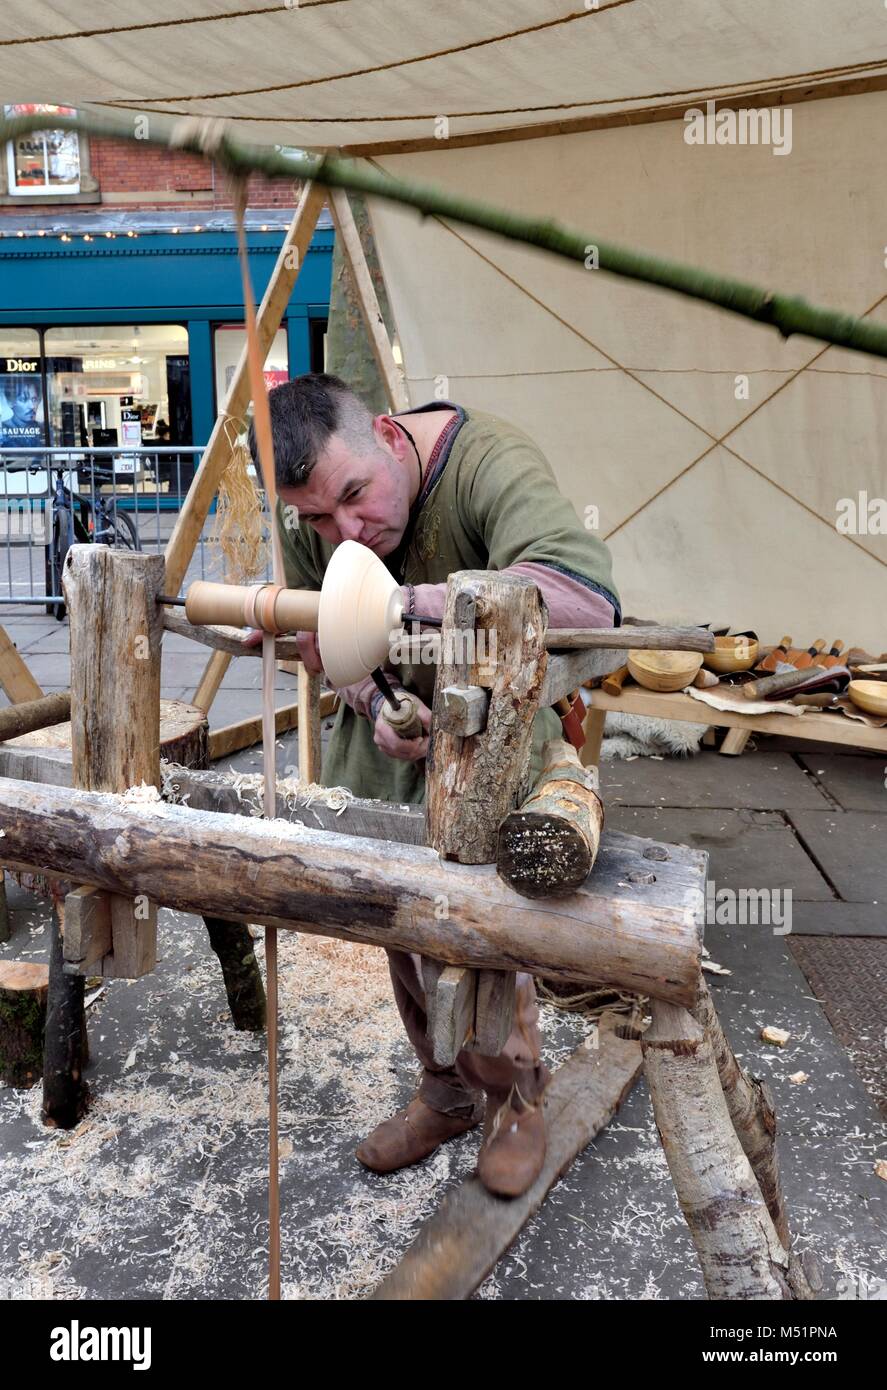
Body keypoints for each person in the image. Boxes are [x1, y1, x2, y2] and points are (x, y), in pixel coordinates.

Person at [253, 373, 620, 1199]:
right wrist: (376, 698)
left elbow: (586, 598)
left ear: (387, 435)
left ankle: (515, 1100)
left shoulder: (491, 465)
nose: (346, 528)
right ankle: (447, 1090)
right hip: (396, 755)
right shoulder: (316, 511)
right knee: (400, 925)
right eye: (318, 517)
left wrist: (397, 608)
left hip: (494, 742)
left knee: (481, 935)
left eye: (354, 496)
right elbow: (329, 648)